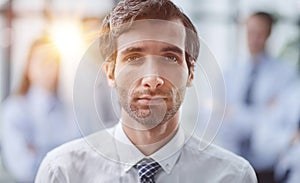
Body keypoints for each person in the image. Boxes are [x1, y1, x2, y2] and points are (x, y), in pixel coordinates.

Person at [35, 0, 257, 182]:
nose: (152, 78)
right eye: (134, 57)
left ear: (191, 73)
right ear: (110, 73)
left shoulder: (233, 176)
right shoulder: (63, 172)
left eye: (170, 57)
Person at [216, 12, 297, 183]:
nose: (254, 39)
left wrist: (236, 113)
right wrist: (261, 113)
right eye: (250, 32)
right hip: (232, 162)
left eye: (259, 34)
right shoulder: (231, 73)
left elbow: (276, 121)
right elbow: (218, 115)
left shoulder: (285, 74)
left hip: (268, 166)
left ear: (268, 34)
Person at [1, 35, 79, 182]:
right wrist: (63, 154)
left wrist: (39, 151)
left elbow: (82, 161)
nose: (48, 66)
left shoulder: (69, 110)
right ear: (28, 66)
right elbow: (24, 168)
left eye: (52, 61)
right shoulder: (14, 110)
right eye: (41, 60)